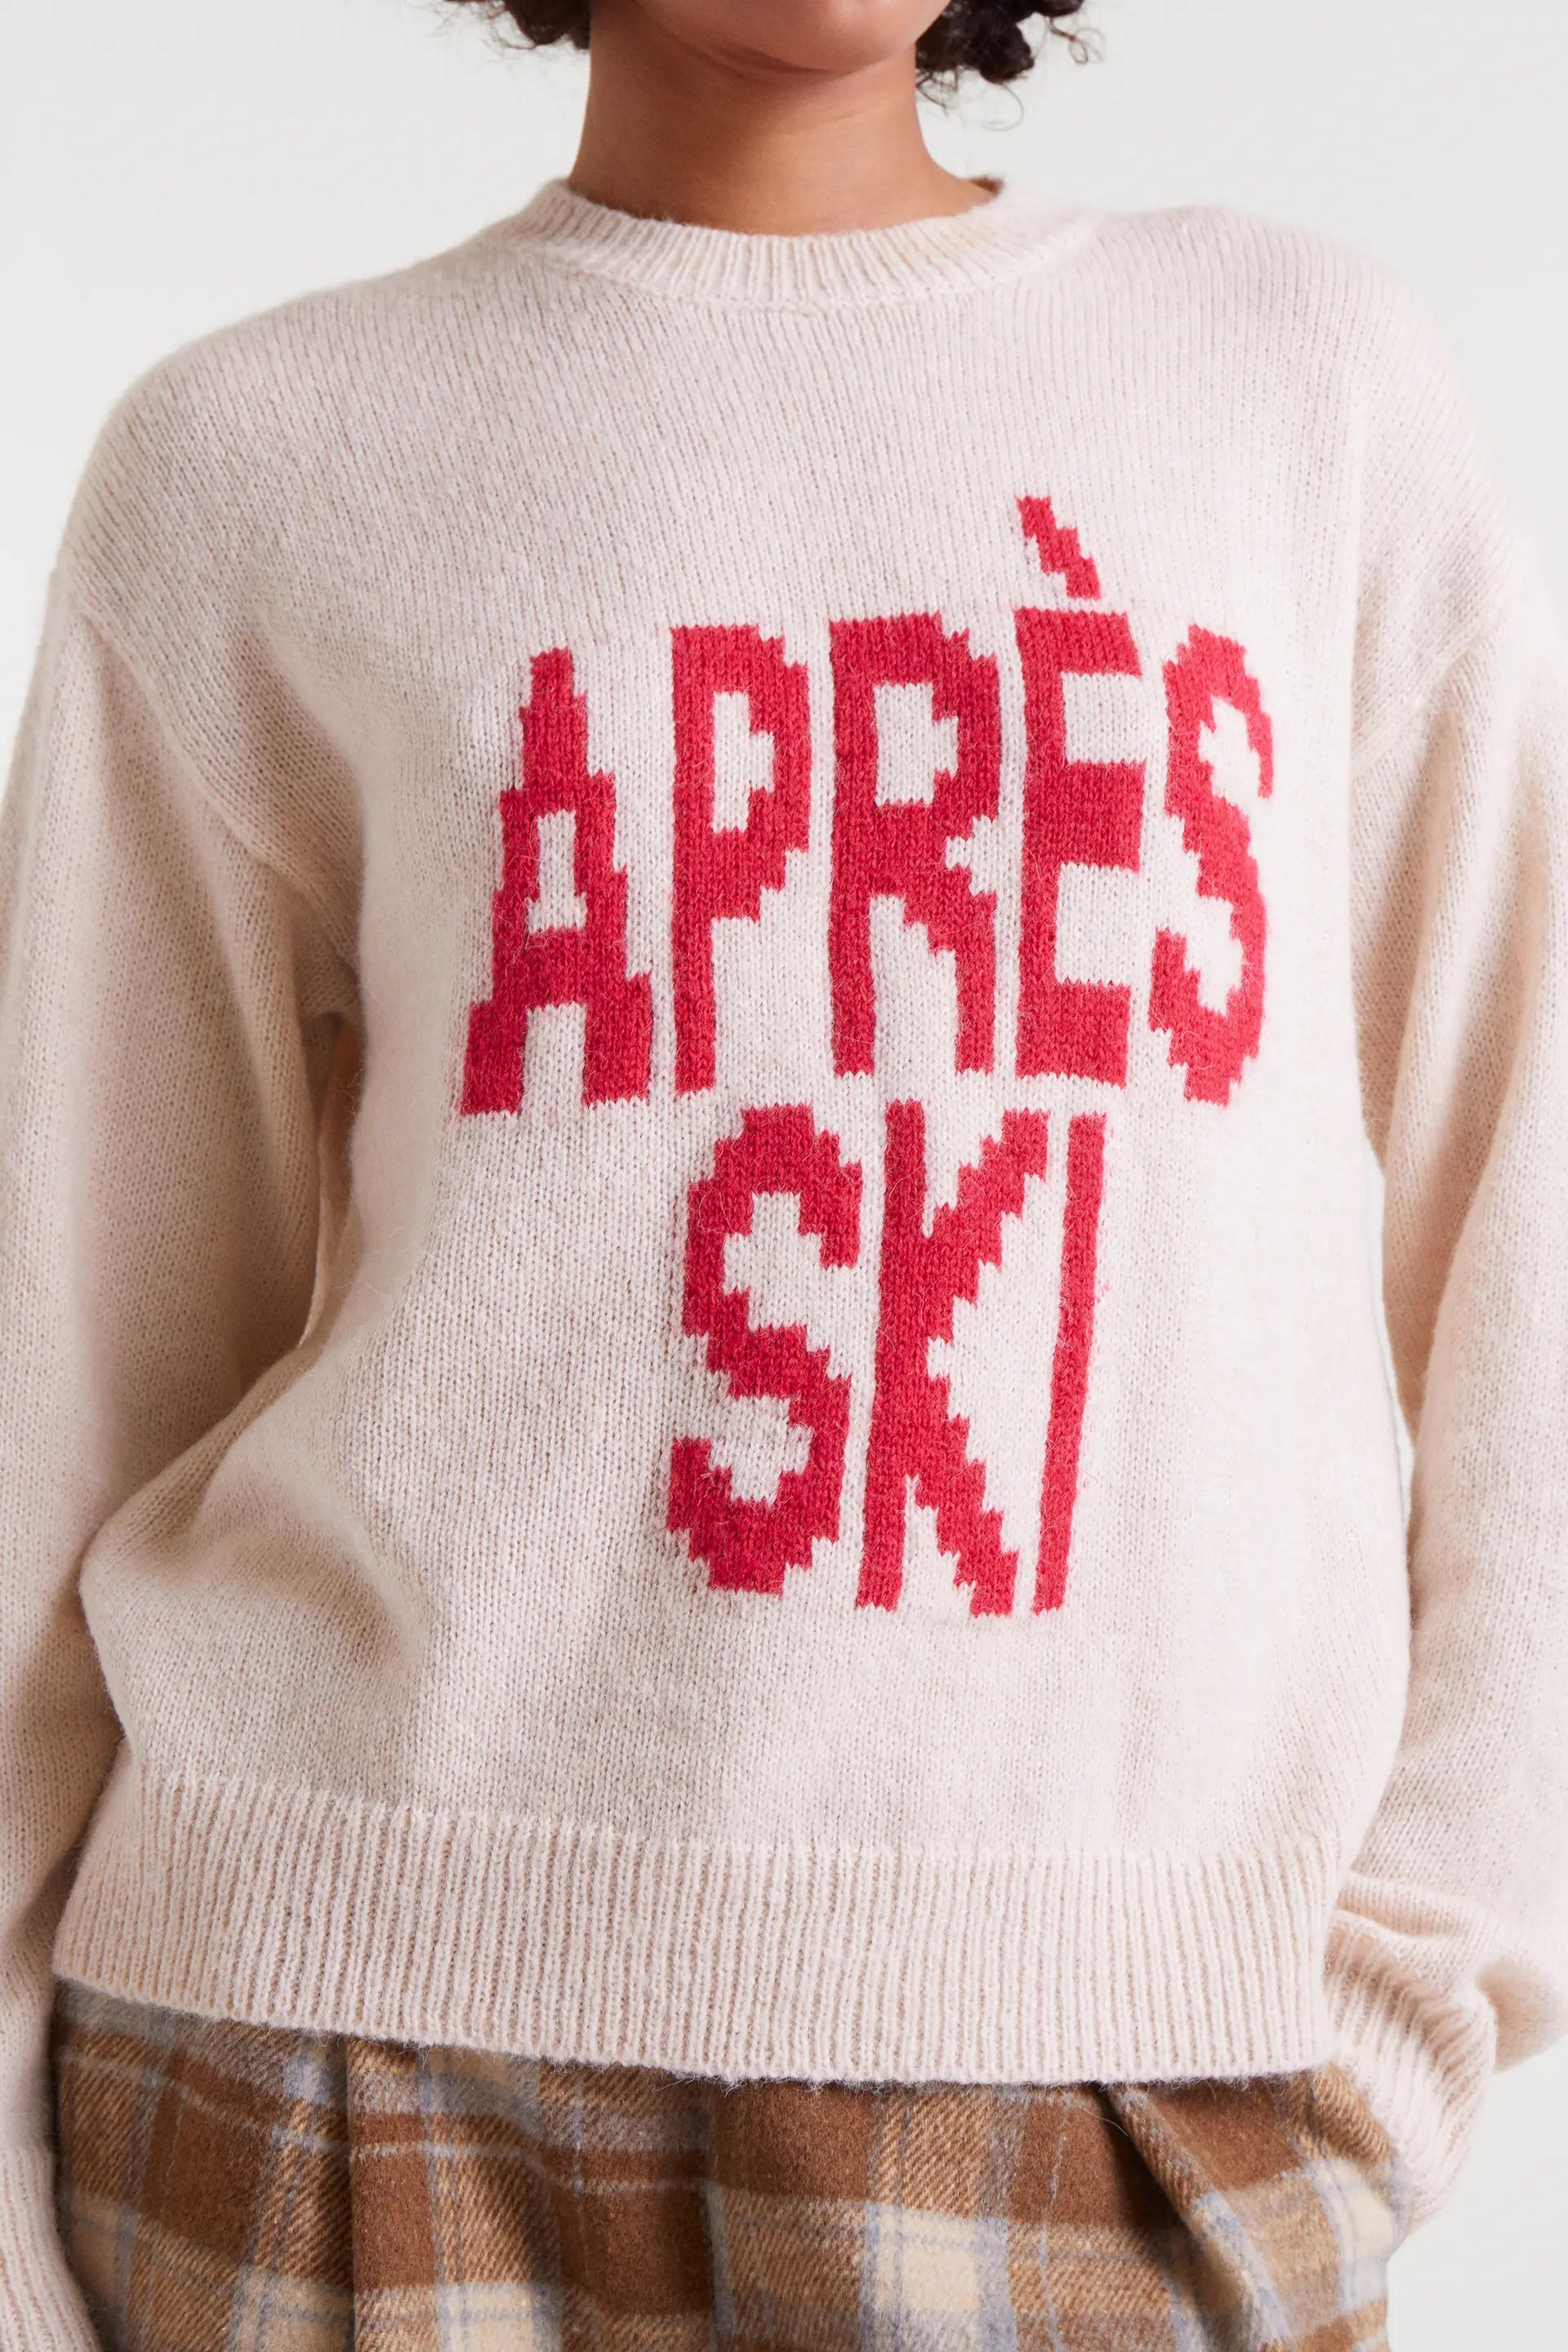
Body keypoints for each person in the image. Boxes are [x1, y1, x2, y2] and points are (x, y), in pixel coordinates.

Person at [3, 1, 1565, 2342]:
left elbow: (1525, 1184)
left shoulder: (1296, 380)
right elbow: (61, 1353)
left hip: (1118, 2078)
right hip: (325, 2068)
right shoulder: (257, 458)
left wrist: (1433, 1969)